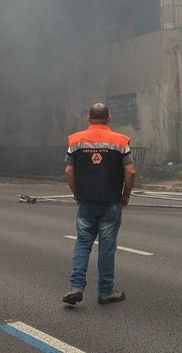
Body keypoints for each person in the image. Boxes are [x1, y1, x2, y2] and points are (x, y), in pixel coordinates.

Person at [62, 102, 135, 306]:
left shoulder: (76, 141)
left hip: (86, 202)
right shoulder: (120, 142)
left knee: (83, 243)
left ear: (88, 118)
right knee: (107, 247)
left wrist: (77, 194)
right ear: (109, 118)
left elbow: (69, 171)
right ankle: (106, 291)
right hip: (111, 202)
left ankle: (76, 288)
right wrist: (125, 195)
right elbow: (130, 171)